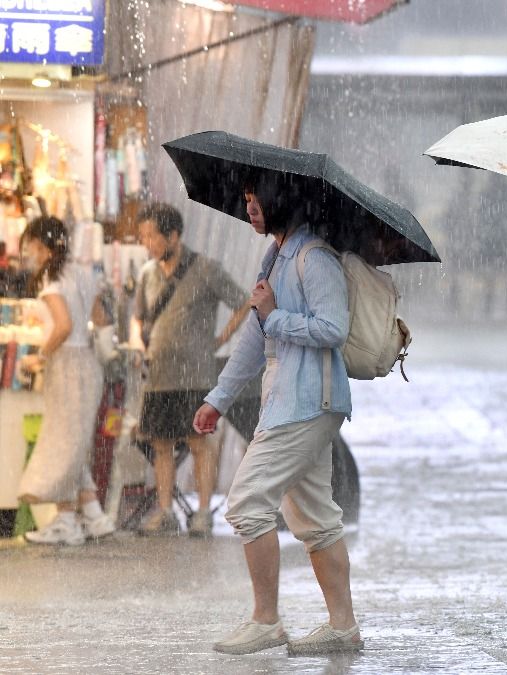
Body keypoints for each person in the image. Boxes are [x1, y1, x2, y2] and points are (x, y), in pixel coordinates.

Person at [192, 181, 362, 655]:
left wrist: (275, 315)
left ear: (281, 201)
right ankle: (343, 626)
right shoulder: (275, 258)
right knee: (315, 518)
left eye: (256, 199)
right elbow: (254, 335)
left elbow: (333, 328)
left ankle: (266, 621)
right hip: (288, 400)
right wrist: (219, 397)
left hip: (307, 402)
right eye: (245, 199)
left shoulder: (313, 258)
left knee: (247, 503)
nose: (249, 208)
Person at [130, 203, 250, 537]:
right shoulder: (147, 273)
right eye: (143, 237)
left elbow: (244, 302)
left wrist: (218, 340)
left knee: (199, 442)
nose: (148, 243)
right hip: (158, 376)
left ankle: (201, 513)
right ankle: (166, 511)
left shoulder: (206, 269)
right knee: (161, 444)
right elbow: (138, 316)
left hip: (196, 375)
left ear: (174, 235)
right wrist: (140, 347)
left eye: (152, 236)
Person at [17, 216, 116, 545]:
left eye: (30, 246)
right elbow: (100, 318)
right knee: (73, 444)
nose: (29, 253)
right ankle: (94, 515)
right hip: (88, 364)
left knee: (61, 445)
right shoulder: (83, 273)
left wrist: (39, 356)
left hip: (67, 366)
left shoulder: (52, 277)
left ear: (42, 246)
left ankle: (65, 520)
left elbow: (62, 324)